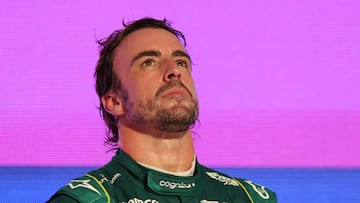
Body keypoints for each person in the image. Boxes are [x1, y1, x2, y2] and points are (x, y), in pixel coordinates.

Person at [47, 17, 277, 203]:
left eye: (181, 62)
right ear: (115, 102)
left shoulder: (250, 198)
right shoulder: (85, 200)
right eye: (148, 62)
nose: (174, 72)